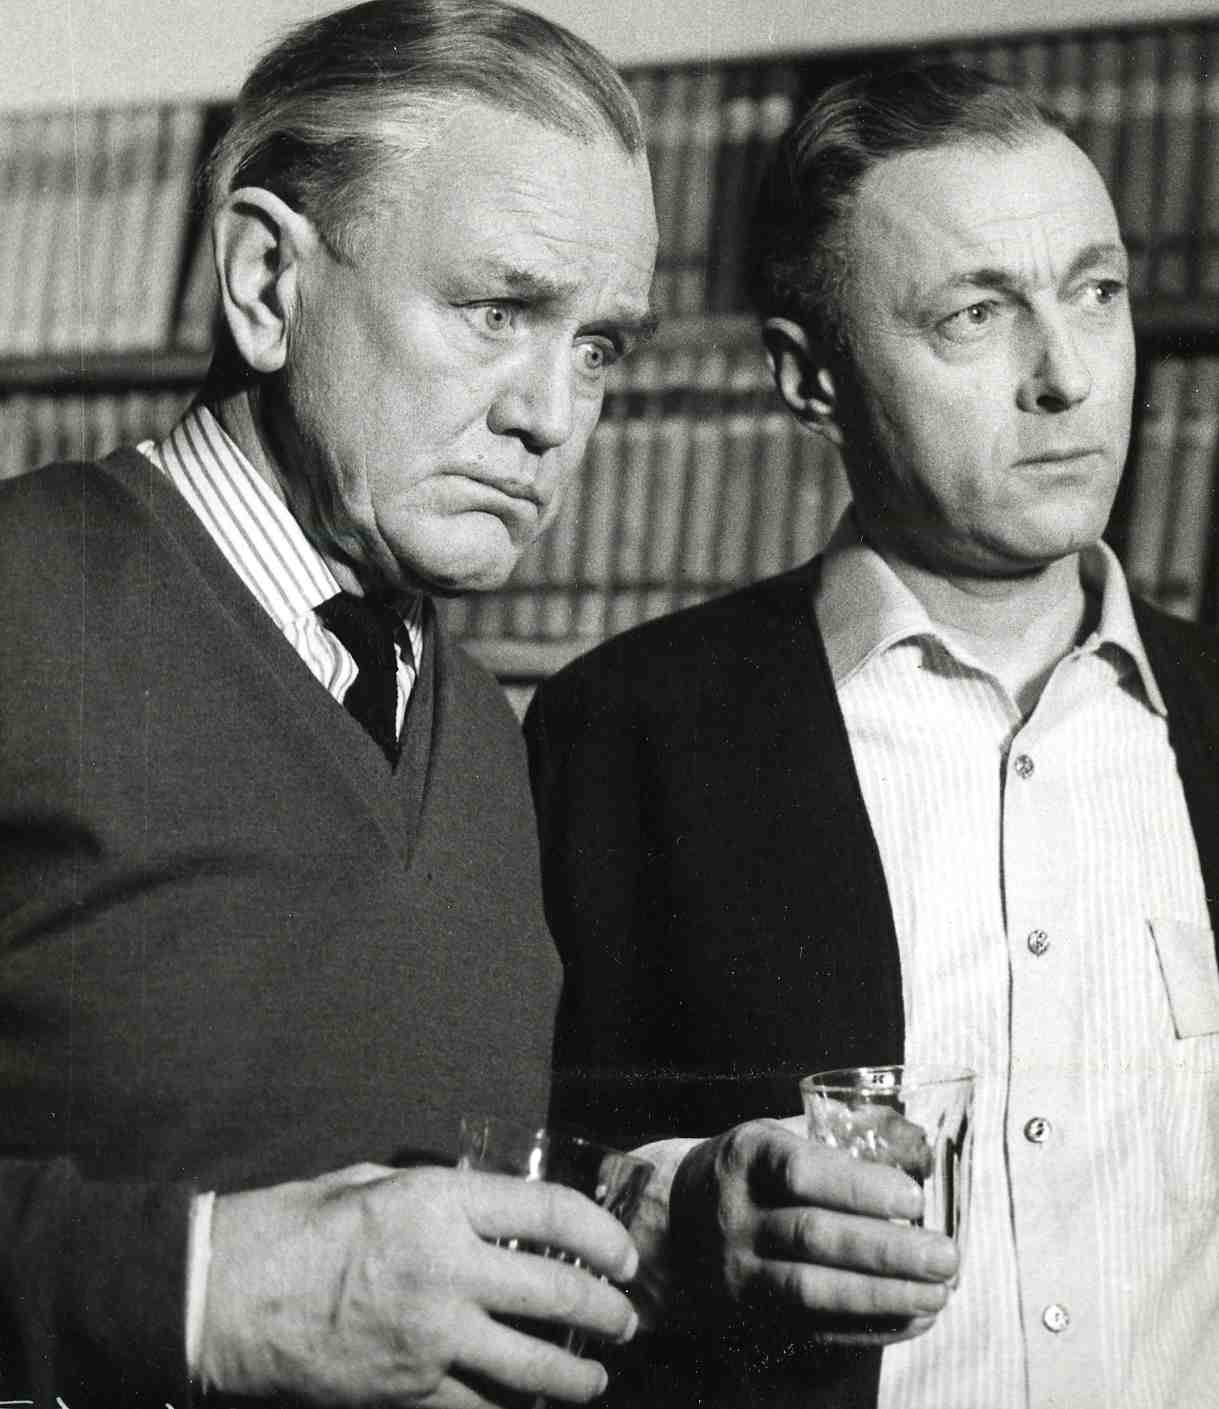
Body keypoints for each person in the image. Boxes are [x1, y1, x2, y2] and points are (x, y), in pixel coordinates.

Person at [525, 62, 1219, 1409]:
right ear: (809, 377)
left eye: (1097, 293)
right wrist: (674, 1222)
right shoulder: (624, 738)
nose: (1068, 377)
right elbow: (516, 1192)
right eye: (977, 315)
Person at [0, 2, 659, 1405]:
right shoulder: (18, 603)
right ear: (265, 281)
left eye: (600, 347)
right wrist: (208, 1295)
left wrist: (665, 1224)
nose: (552, 417)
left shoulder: (481, 734)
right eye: (497, 311)